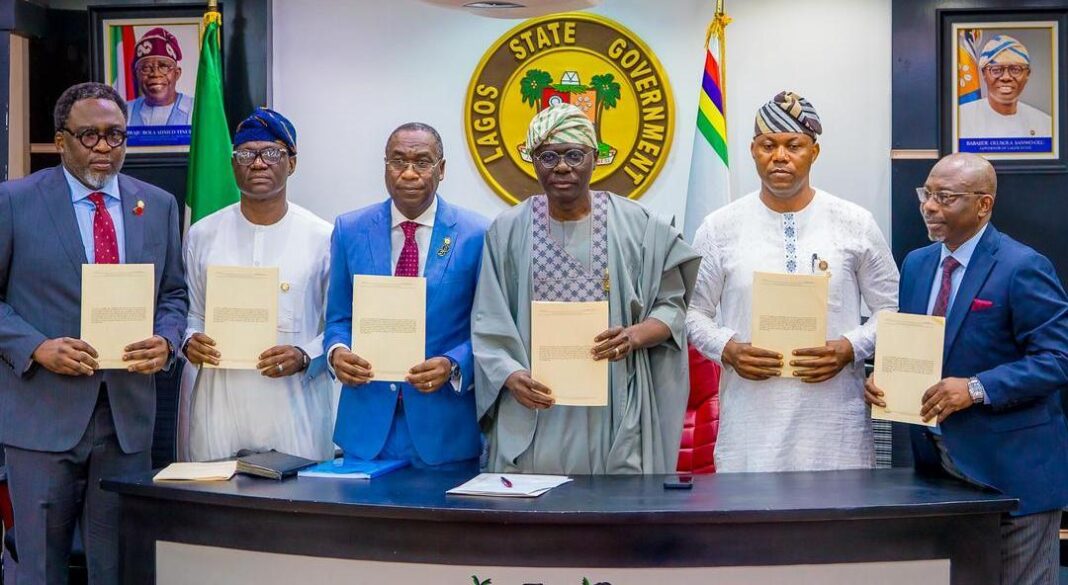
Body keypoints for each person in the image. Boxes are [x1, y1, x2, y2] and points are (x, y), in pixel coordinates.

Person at [0, 82, 187, 584]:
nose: (104, 148)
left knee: (120, 565)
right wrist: (36, 347)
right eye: (89, 136)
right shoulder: (13, 202)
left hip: (125, 419)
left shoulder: (160, 205)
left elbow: (173, 295)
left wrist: (166, 340)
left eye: (115, 135)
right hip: (41, 418)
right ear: (61, 141)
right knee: (39, 566)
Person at [866, 153, 1068, 585]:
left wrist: (975, 388)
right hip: (939, 474)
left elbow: (1056, 360)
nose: (930, 206)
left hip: (1014, 473)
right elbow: (917, 346)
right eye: (927, 193)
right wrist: (884, 376)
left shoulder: (1023, 267)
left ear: (983, 205)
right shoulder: (918, 264)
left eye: (947, 197)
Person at [473, 104, 700, 475]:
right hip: (536, 411)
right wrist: (510, 375)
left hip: (614, 407)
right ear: (533, 162)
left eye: (574, 154)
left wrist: (634, 335)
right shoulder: (507, 231)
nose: (562, 166)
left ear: (595, 159)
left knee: (610, 522)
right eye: (548, 156)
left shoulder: (638, 226)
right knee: (534, 521)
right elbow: (488, 321)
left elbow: (672, 309)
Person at [686, 91, 899, 473]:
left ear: (813, 152)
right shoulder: (720, 227)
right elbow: (692, 312)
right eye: (769, 145)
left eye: (793, 145)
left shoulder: (854, 223)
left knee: (835, 527)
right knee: (753, 524)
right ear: (753, 150)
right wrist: (728, 348)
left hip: (834, 424)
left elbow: (893, 307)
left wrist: (851, 347)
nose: (780, 156)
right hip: (751, 423)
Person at [324, 123, 487, 469]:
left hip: (444, 431)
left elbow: (488, 327)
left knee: (442, 525)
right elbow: (338, 317)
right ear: (385, 167)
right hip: (366, 430)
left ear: (441, 170)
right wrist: (337, 353)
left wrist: (454, 364)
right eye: (398, 160)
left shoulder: (476, 234)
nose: (409, 173)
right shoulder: (349, 229)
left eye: (422, 162)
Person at [179, 108, 336, 462]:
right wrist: (190, 341)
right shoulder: (203, 234)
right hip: (220, 405)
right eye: (246, 154)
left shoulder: (322, 237)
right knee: (217, 506)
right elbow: (191, 314)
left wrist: (304, 354)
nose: (258, 163)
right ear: (234, 164)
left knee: (297, 509)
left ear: (292, 163)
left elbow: (339, 325)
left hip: (295, 410)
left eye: (272, 153)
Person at [959, 34, 1052, 139]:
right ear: (984, 74)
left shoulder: (1046, 124)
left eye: (1016, 69)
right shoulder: (960, 119)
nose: (1006, 77)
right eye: (996, 70)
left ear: (1027, 74)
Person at [127, 27, 194, 126]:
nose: (155, 74)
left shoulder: (196, 110)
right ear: (135, 75)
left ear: (177, 73)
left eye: (164, 66)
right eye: (146, 68)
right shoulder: (122, 112)